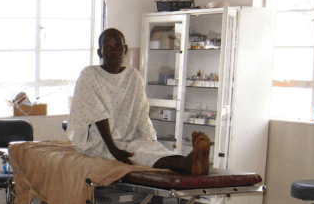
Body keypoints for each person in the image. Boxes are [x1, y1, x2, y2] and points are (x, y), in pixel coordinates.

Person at [67, 28, 210, 176]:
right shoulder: (90, 74)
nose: (114, 52)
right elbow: (99, 115)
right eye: (108, 48)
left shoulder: (133, 76)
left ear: (125, 49)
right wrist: (114, 150)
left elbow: (141, 113)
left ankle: (189, 161)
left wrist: (150, 140)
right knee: (138, 155)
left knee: (153, 149)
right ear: (100, 52)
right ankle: (186, 164)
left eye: (118, 47)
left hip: (131, 138)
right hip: (102, 142)